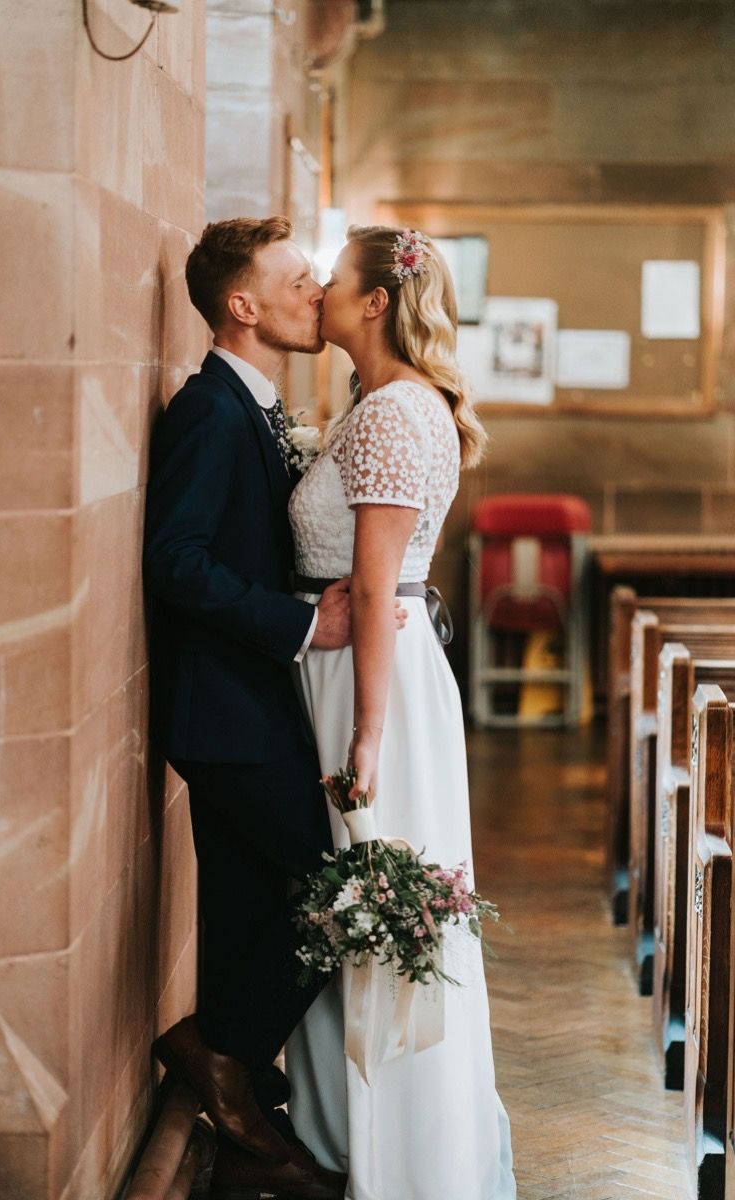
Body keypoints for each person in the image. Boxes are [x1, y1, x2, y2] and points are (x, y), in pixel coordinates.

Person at [142, 216, 405, 1200]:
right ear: (241, 306)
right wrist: (301, 627)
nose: (314, 296)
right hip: (229, 715)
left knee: (256, 905)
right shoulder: (212, 413)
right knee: (332, 900)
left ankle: (246, 1085)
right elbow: (174, 562)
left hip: (251, 711)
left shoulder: (253, 409)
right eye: (296, 281)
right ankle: (217, 1053)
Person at [284, 226, 517, 1199]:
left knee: (377, 901)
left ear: (375, 301)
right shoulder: (387, 405)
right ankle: (349, 1131)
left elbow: (376, 589)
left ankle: (395, 1156)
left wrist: (366, 733)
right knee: (365, 904)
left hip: (369, 677)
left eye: (332, 279)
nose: (320, 292)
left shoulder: (392, 416)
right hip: (373, 664)